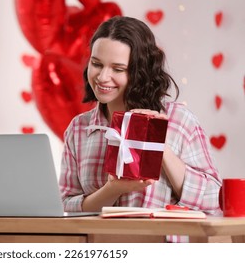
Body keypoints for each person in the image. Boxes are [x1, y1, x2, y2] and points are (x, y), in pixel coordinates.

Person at [59, 16, 222, 223]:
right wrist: (113, 189)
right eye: (96, 64)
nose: (102, 77)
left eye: (118, 69)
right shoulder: (79, 129)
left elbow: (215, 201)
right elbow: (65, 207)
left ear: (139, 72)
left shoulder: (179, 121)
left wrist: (162, 149)